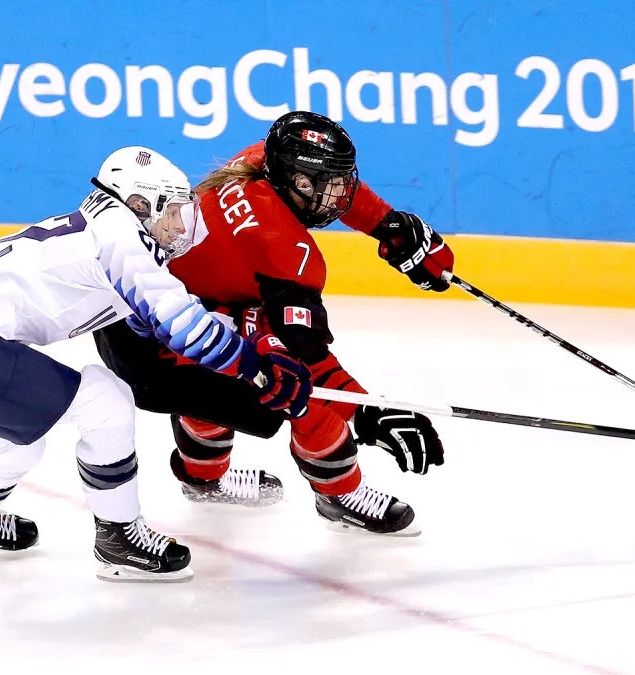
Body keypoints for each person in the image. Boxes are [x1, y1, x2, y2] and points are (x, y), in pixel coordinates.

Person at [0, 146, 313, 581]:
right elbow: (182, 326)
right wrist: (256, 365)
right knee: (104, 399)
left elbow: (153, 319)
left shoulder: (104, 228)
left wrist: (232, 344)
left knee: (21, 435)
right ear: (141, 205)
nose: (180, 226)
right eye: (174, 212)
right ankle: (119, 537)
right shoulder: (121, 239)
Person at [94, 111, 454, 536]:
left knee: (236, 353)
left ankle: (202, 478)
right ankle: (339, 494)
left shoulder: (259, 160)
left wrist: (386, 224)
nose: (342, 195)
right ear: (298, 183)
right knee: (295, 386)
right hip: (154, 349)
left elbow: (325, 187)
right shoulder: (282, 248)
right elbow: (310, 361)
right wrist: (367, 412)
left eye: (343, 180)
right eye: (331, 186)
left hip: (147, 314)